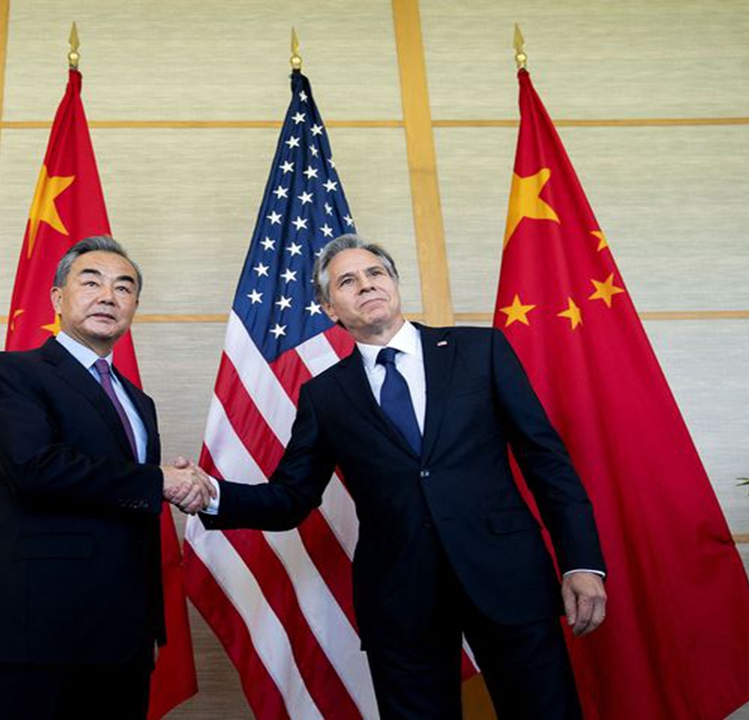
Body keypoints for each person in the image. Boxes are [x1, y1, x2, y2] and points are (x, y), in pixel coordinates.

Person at [198, 234, 608, 719]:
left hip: (507, 576)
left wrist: (582, 562)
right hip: (400, 598)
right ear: (331, 308)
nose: (366, 285)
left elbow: (547, 461)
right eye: (348, 281)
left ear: (394, 284)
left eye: (375, 273)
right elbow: (290, 498)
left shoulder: (481, 350)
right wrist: (210, 496)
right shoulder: (324, 396)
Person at [0, 235, 213, 719]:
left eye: (124, 288)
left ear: (134, 306)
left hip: (123, 637)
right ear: (58, 298)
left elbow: (135, 515)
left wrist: (149, 627)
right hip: (38, 630)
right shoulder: (12, 372)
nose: (108, 296)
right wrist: (155, 481)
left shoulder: (139, 403)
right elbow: (35, 468)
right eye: (91, 281)